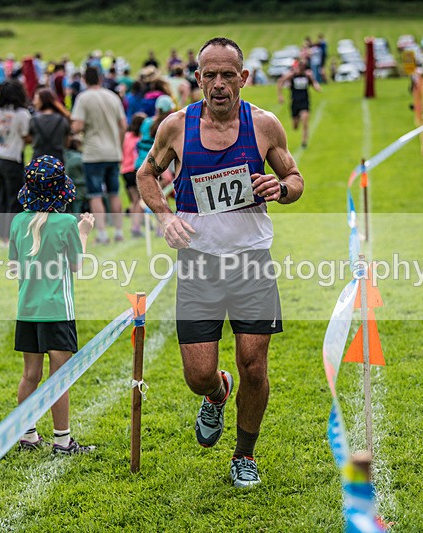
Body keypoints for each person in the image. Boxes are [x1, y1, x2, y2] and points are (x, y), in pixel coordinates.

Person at [136, 37, 305, 488]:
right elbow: (146, 173)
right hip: (199, 265)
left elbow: (294, 177)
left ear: (243, 78)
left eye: (228, 74)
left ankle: (244, 455)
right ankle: (216, 393)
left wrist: (280, 189)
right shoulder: (176, 127)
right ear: (198, 79)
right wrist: (165, 216)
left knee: (254, 364)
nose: (218, 84)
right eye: (209, 75)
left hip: (252, 263)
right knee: (198, 375)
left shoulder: (264, 125)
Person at [10, 155, 96, 455]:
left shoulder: (17, 221)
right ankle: (62, 441)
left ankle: (28, 434)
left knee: (30, 375)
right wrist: (84, 232)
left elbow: (14, 267)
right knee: (60, 380)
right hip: (58, 311)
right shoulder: (67, 223)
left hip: (27, 311)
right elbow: (76, 265)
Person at [71, 66, 127, 244]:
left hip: (93, 153)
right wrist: (118, 144)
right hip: (113, 152)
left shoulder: (83, 98)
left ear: (84, 80)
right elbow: (123, 125)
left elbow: (78, 126)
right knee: (114, 193)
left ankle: (102, 233)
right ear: (100, 79)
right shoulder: (112, 96)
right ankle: (119, 231)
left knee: (95, 195)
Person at [0, 80, 32, 247]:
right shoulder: (22, 114)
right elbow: (26, 136)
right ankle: (13, 236)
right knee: (15, 199)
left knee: (1, 198)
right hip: (12, 159)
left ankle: (3, 236)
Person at [277, 61, 321, 148]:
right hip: (295, 102)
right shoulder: (292, 75)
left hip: (304, 102)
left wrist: (317, 87)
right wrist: (280, 95)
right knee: (295, 126)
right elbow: (280, 81)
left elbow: (314, 83)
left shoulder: (307, 76)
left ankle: (304, 142)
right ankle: (298, 118)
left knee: (305, 122)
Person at [30, 88, 71, 162]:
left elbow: (29, 138)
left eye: (36, 99)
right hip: (57, 160)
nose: (34, 102)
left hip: (38, 160)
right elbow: (67, 142)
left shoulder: (34, 120)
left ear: (42, 101)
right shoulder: (62, 119)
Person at [122, 113, 146, 237]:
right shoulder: (140, 139)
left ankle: (136, 224)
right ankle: (135, 227)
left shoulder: (126, 136)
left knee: (134, 200)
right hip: (134, 169)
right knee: (139, 200)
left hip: (125, 171)